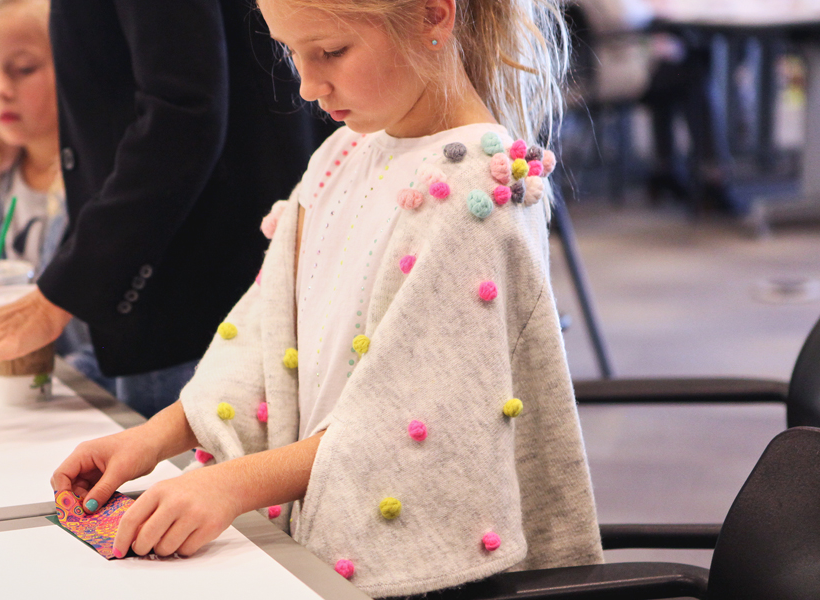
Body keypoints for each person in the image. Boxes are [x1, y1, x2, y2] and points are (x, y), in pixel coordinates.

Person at [51, 0, 604, 596]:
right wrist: (154, 437)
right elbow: (265, 332)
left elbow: (408, 428)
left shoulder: (480, 188)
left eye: (331, 52)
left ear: (433, 17)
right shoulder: (340, 155)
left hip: (422, 578)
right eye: (292, 53)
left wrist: (231, 484)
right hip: (315, 550)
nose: (309, 86)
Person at [0, 0, 334, 417]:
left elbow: (182, 111)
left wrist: (57, 297)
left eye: (24, 69)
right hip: (179, 292)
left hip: (195, 289)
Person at [0, 0, 105, 387]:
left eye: (24, 69)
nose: (1, 89)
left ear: (72, 67)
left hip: (73, 392)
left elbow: (102, 346)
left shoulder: (98, 189)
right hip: (2, 386)